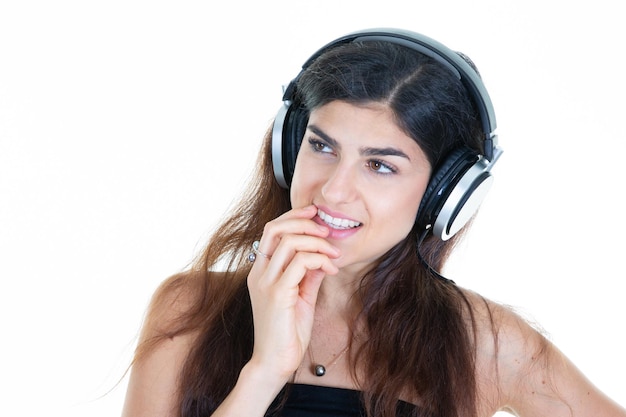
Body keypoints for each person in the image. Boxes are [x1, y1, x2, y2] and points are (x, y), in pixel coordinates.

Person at [121, 28, 626, 417]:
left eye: (380, 165)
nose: (333, 190)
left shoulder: (484, 344)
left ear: (442, 194)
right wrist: (264, 372)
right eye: (322, 146)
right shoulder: (188, 311)